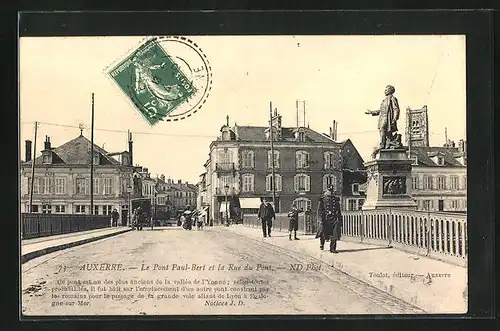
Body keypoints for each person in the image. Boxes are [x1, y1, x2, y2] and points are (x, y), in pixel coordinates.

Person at [365, 85, 401, 151]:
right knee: (383, 131)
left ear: (390, 91)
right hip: (382, 118)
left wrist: (395, 118)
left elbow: (396, 109)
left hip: (387, 119)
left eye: (386, 90)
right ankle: (387, 144)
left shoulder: (392, 98)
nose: (385, 91)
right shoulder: (384, 100)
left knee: (383, 129)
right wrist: (371, 112)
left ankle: (382, 145)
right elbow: (381, 111)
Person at [316, 185, 343, 253]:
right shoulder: (322, 199)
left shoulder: (336, 199)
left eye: (331, 191)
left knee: (335, 233)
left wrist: (340, 220)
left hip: (334, 219)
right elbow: (319, 210)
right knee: (323, 233)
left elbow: (338, 211)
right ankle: (322, 244)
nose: (330, 193)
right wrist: (320, 220)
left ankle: (332, 248)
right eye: (329, 191)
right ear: (326, 191)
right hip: (325, 219)